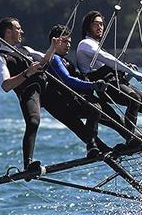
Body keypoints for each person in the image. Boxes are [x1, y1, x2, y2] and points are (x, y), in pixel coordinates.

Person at [75, 11, 142, 146]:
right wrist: (127, 69)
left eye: (102, 24)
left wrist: (128, 74)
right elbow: (106, 58)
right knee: (134, 99)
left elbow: (111, 70)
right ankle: (131, 138)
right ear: (87, 27)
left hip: (119, 84)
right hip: (109, 88)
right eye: (95, 24)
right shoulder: (85, 44)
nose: (100, 27)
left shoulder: (95, 45)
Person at [42, 25, 128, 158]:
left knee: (112, 116)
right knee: (96, 108)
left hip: (81, 98)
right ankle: (92, 146)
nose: (68, 45)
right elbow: (67, 79)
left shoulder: (65, 60)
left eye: (70, 41)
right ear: (55, 42)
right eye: (65, 41)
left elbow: (82, 76)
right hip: (70, 102)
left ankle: (135, 140)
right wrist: (92, 86)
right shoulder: (54, 59)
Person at [0, 17, 58, 173]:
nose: (21, 31)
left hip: (47, 89)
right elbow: (6, 85)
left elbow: (43, 61)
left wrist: (53, 47)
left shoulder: (26, 50)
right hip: (29, 93)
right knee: (33, 122)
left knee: (75, 110)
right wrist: (27, 72)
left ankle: (94, 144)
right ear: (8, 32)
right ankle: (28, 165)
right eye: (18, 29)